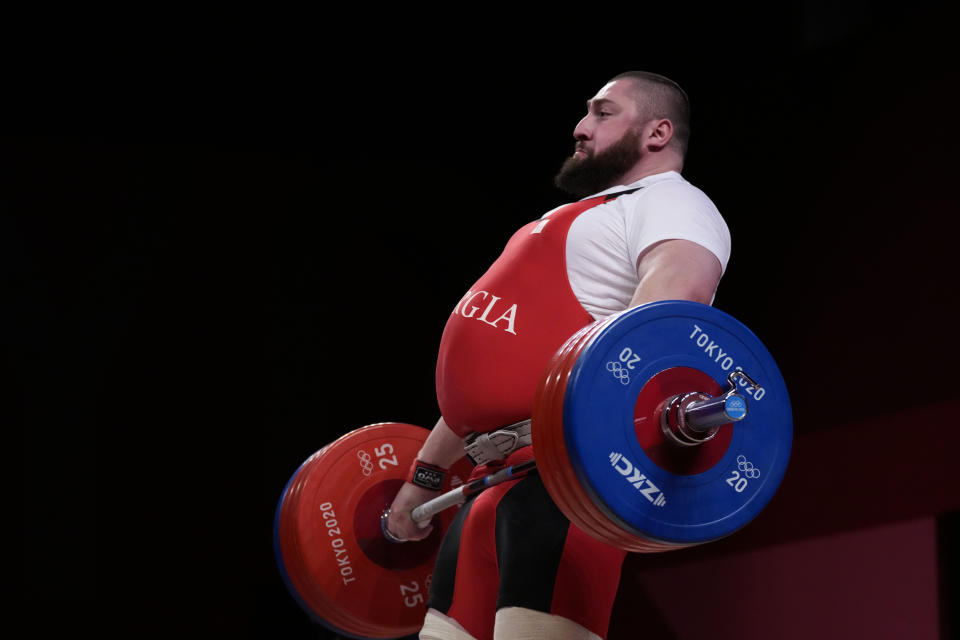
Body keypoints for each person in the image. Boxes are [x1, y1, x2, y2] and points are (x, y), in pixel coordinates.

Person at [384, 71, 731, 640]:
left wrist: (592, 448)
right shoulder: (591, 214)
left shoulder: (675, 204)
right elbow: (504, 370)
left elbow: (667, 315)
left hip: (565, 487)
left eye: (601, 112)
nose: (580, 127)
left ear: (657, 132)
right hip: (488, 485)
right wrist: (424, 476)